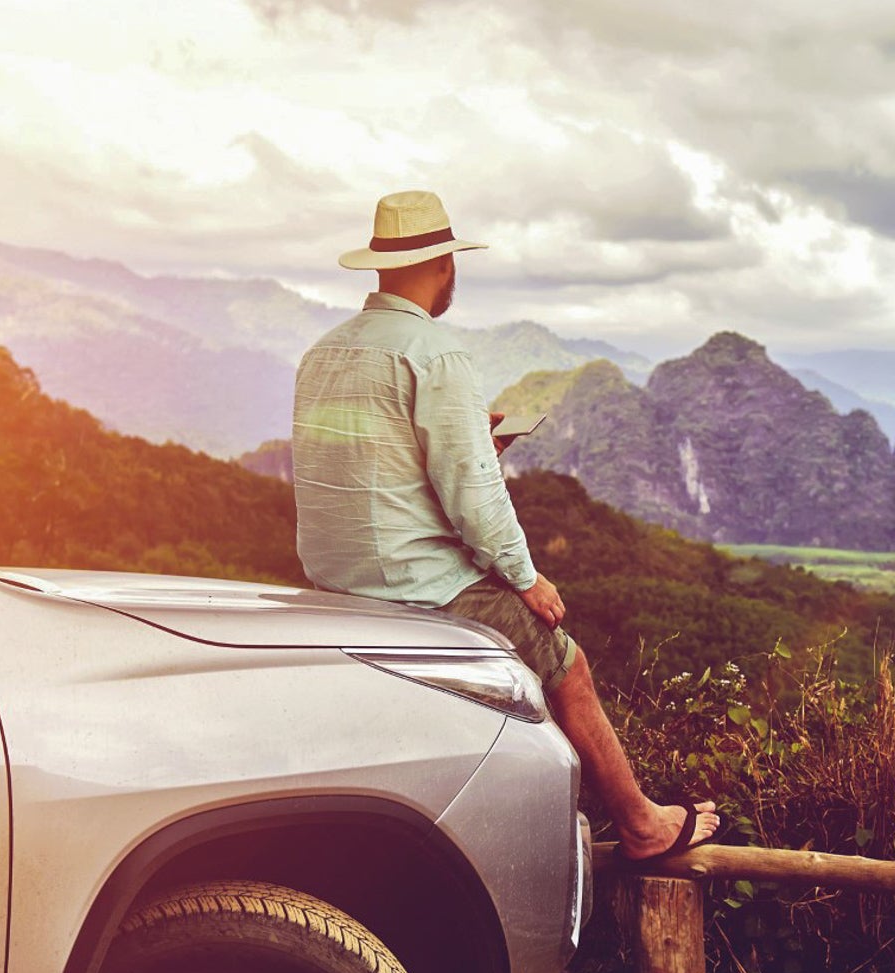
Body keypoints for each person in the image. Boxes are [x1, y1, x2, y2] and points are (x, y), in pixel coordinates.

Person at [293, 190, 719, 861]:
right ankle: (641, 822)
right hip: (417, 585)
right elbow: (474, 495)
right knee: (567, 665)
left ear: (379, 267)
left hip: (334, 579)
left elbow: (367, 471)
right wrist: (526, 578)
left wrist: (471, 447)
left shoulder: (324, 353)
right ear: (443, 267)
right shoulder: (434, 354)